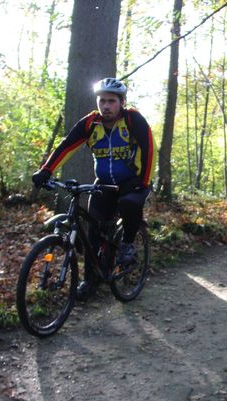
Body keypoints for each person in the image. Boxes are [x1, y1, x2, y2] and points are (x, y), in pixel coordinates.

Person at [32, 77, 155, 301]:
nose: (106, 106)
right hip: (104, 183)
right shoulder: (90, 124)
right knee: (92, 233)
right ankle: (90, 281)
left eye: (111, 101)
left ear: (121, 102)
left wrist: (143, 181)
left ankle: (127, 244)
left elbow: (148, 148)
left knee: (129, 203)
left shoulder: (133, 120)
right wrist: (46, 171)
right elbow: (66, 145)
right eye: (102, 101)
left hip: (132, 181)